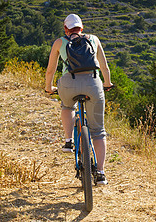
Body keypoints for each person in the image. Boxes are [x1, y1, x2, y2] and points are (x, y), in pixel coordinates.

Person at [45, 13, 113, 185]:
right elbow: (104, 66)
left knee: (67, 107)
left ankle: (68, 141)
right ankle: (100, 173)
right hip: (93, 84)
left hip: (68, 84)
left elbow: (50, 70)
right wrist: (107, 83)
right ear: (81, 28)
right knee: (98, 131)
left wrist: (49, 87)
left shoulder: (60, 42)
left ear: (66, 29)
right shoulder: (94, 39)